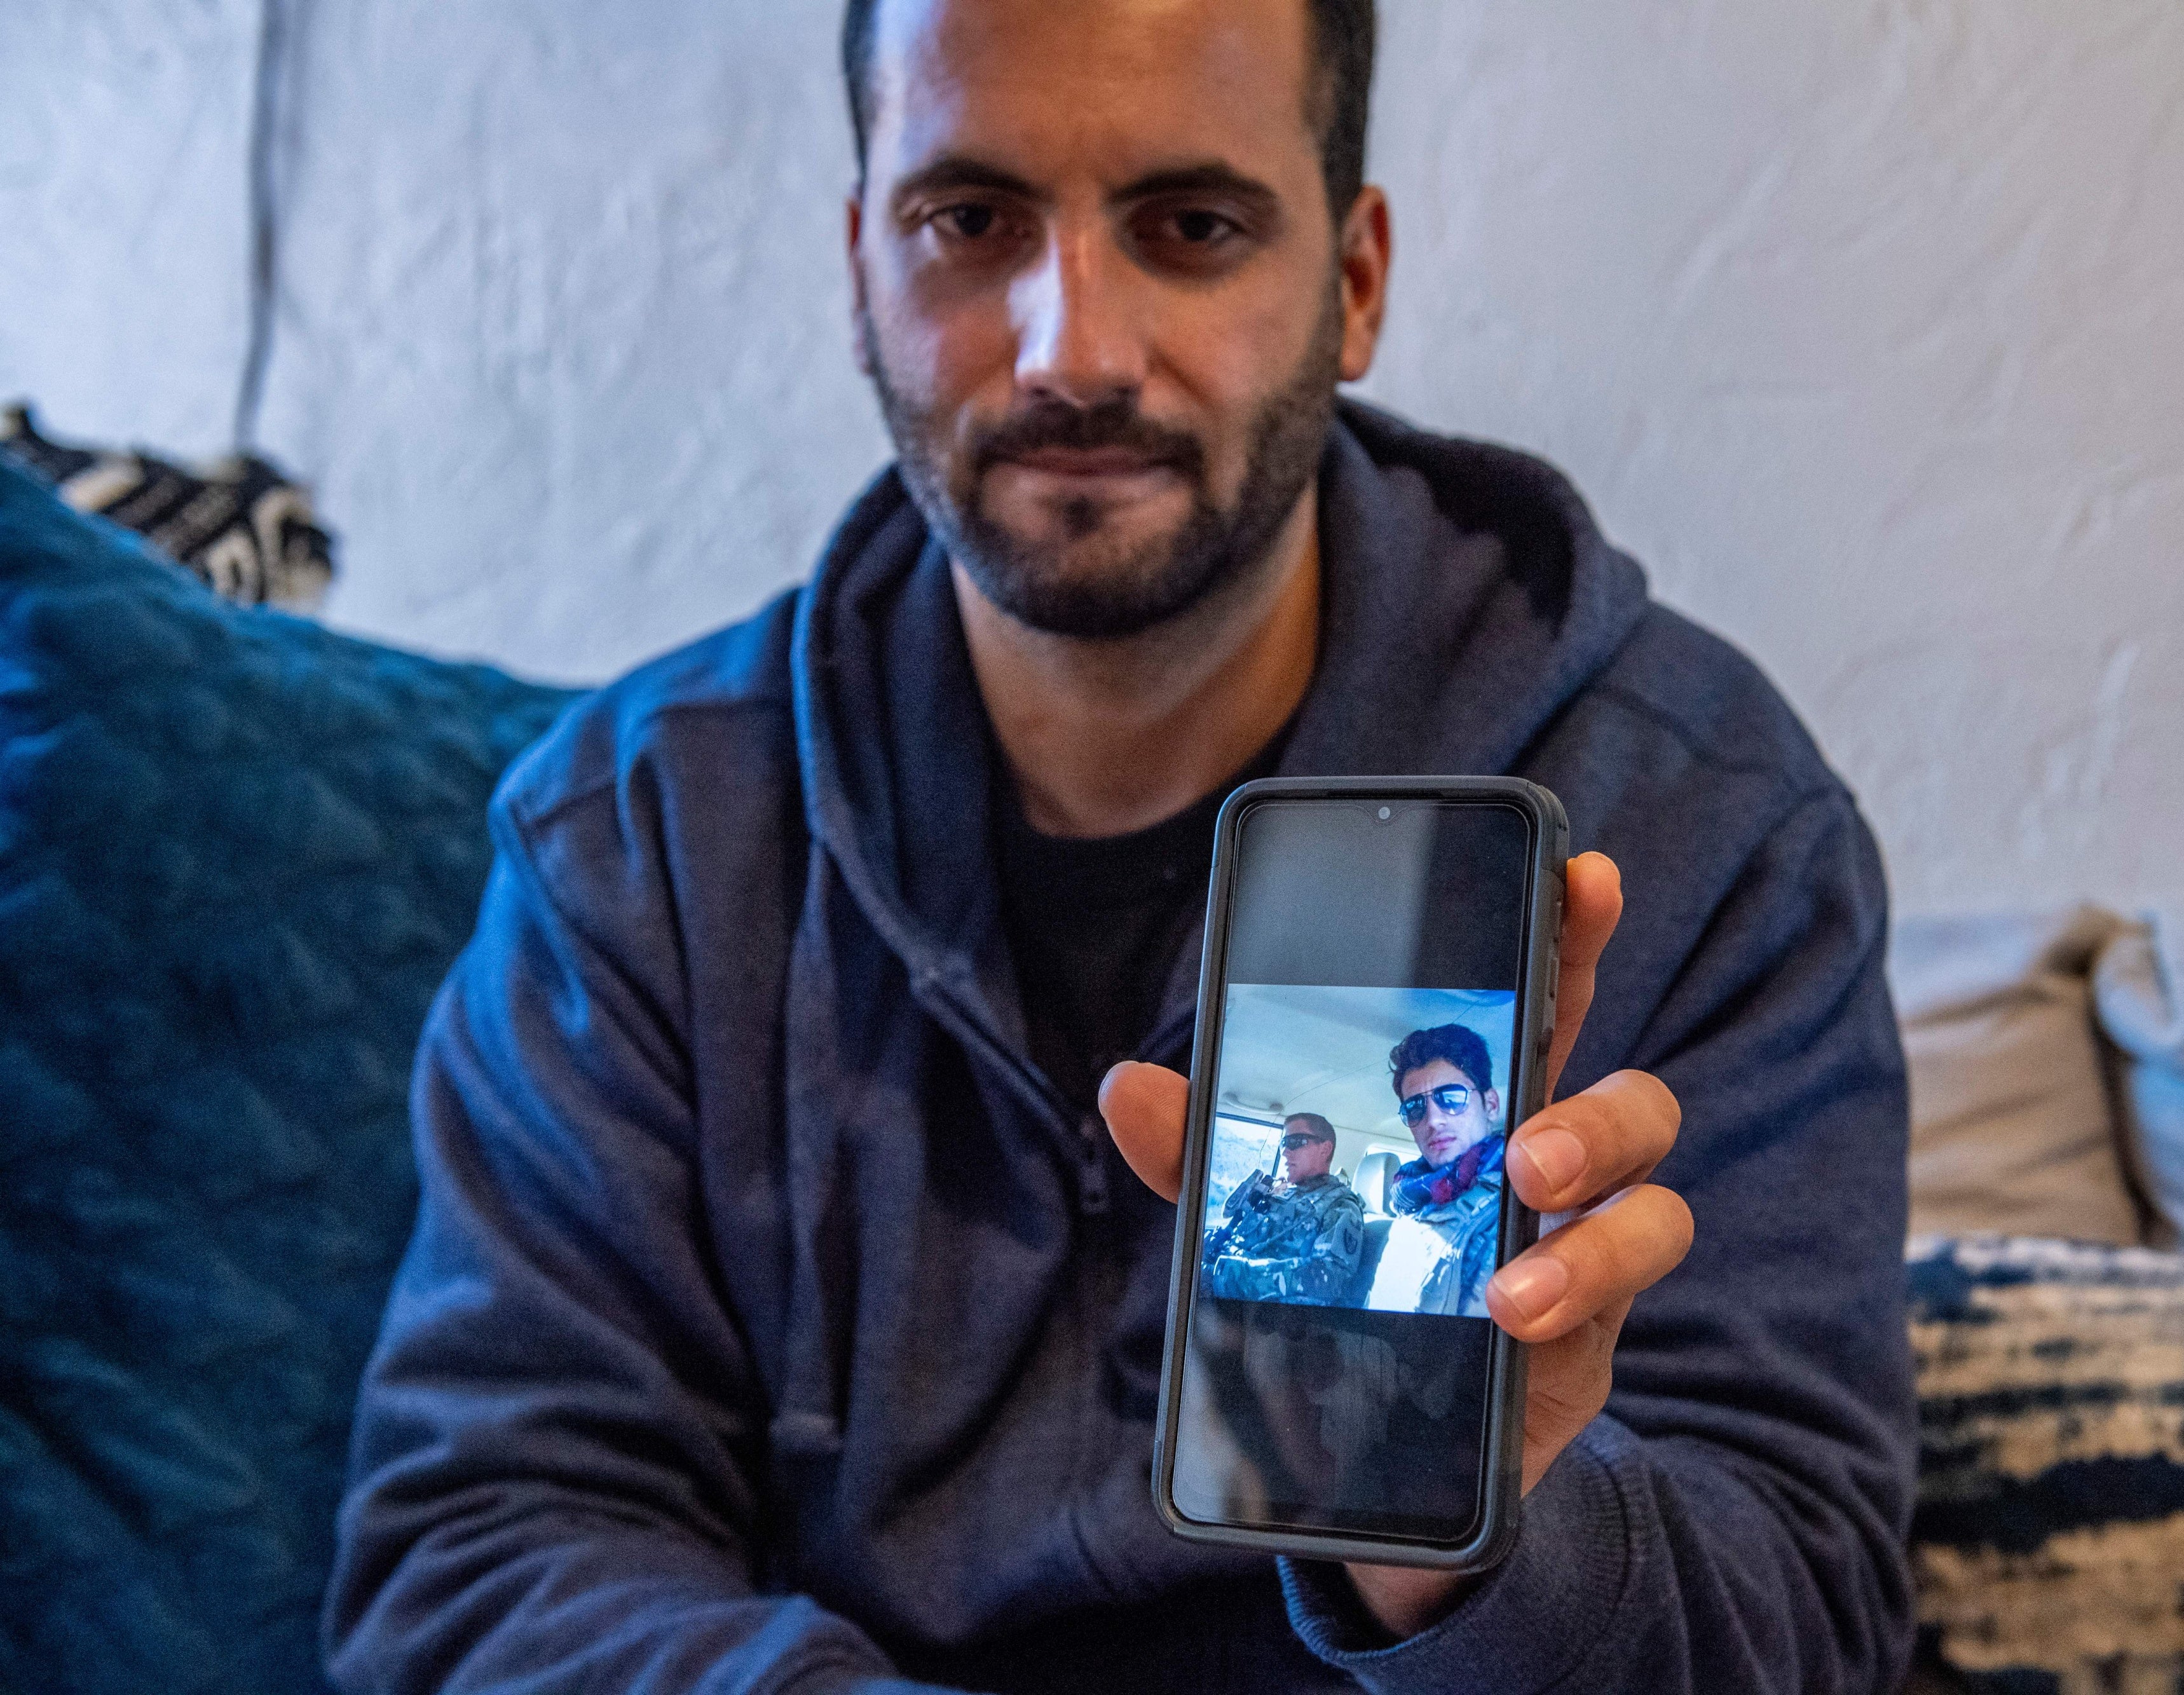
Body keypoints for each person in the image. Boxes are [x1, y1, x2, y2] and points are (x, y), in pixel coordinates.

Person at [324, 1, 1919, 1691]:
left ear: (1355, 280)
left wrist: (1488, 1541)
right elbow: (478, 1556)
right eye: (972, 223)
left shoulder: (1703, 822)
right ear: (859, 260)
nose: (1071, 346)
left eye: (1191, 226)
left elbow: (1811, 1622)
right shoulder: (639, 840)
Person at [1384, 1027, 1505, 1317]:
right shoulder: (1406, 1206)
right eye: (1414, 1108)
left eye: (1451, 1098)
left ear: (1490, 1105)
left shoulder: (1523, 1199)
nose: (1433, 1119)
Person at [1202, 1112, 1367, 1305]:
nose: (1285, 1152)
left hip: (1256, 1314)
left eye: (1296, 1142)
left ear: (1325, 1149)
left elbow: (1327, 1280)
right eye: (1283, 1144)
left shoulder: (1341, 1206)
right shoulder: (1283, 1193)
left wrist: (1221, 1276)